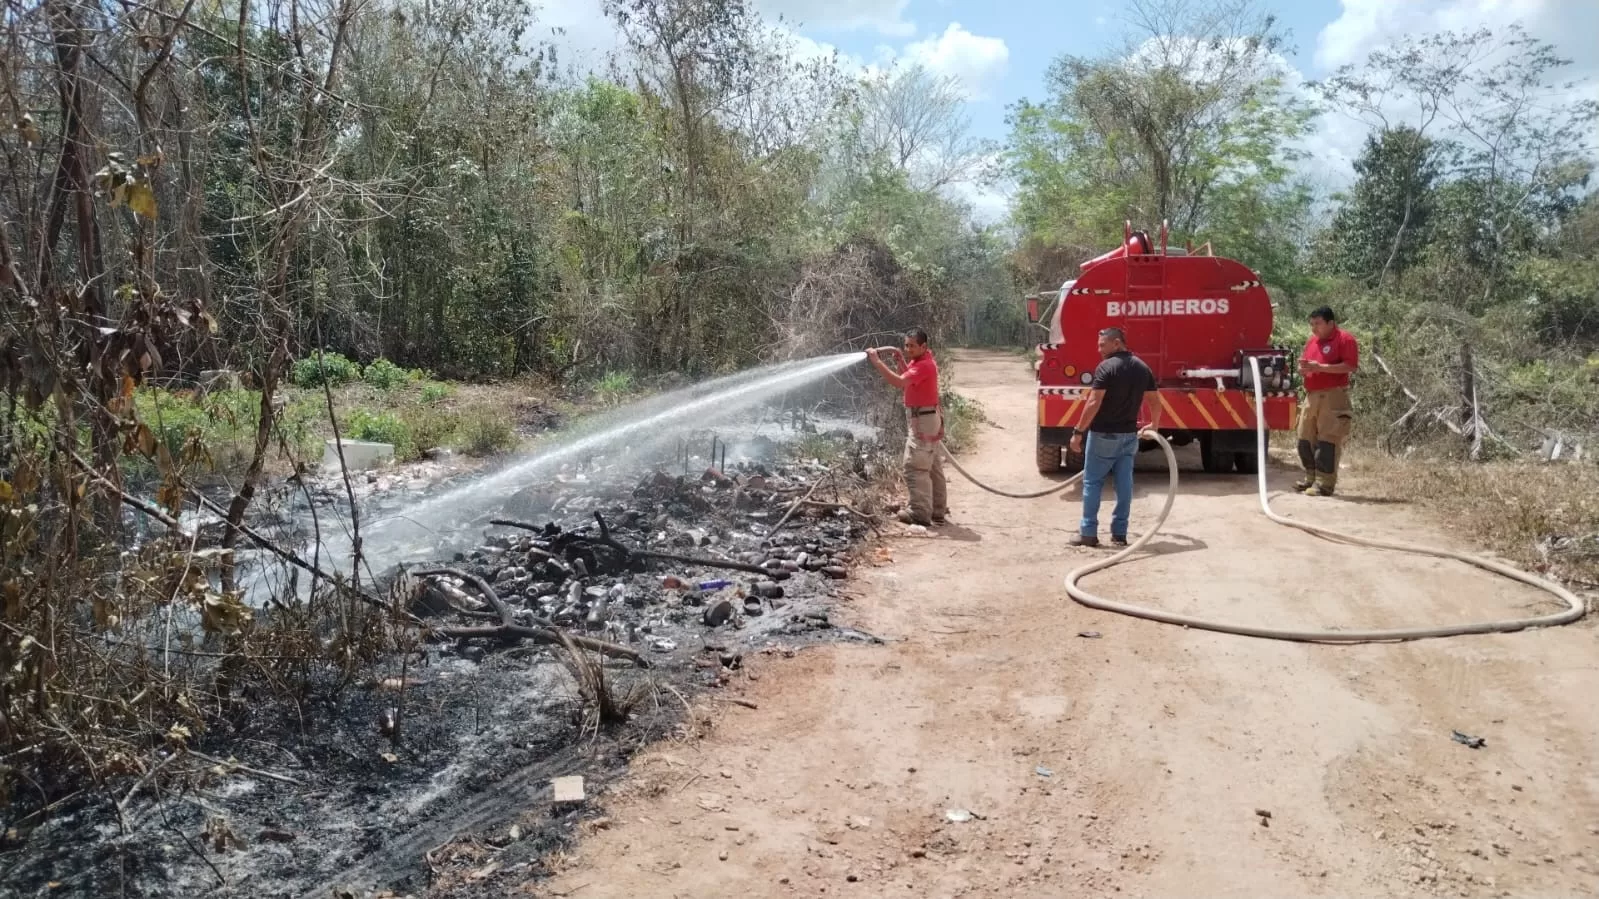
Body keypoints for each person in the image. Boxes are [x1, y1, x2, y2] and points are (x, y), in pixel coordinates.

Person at [1068, 327, 1161, 548]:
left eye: (1102, 344)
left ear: (1117, 343)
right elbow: (1155, 402)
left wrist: (1078, 432)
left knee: (1092, 482)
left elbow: (1093, 402)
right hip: (1129, 437)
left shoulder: (1106, 367)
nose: (1098, 349)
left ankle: (1088, 533)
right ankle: (1120, 534)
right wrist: (1154, 425)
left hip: (1103, 435)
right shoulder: (1142, 367)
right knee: (1124, 485)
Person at [866, 329, 948, 527]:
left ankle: (920, 513)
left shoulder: (924, 365)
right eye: (906, 345)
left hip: (923, 421)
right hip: (929, 419)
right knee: (933, 466)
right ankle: (937, 511)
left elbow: (899, 382)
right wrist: (900, 361)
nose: (908, 349)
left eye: (912, 345)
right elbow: (910, 380)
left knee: (915, 467)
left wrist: (877, 362)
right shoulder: (921, 361)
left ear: (923, 346)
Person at [1296, 305, 1359, 497]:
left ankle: (1325, 484)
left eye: (1318, 324)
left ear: (1331, 323)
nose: (1314, 328)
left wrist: (1320, 367)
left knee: (1327, 440)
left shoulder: (1344, 339)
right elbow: (1309, 364)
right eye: (1312, 324)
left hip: (1332, 396)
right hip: (1311, 395)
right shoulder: (1312, 341)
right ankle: (1310, 477)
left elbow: (1350, 366)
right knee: (1304, 437)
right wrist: (1305, 370)